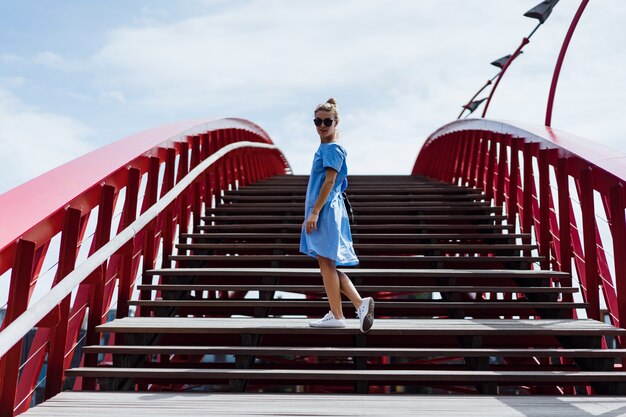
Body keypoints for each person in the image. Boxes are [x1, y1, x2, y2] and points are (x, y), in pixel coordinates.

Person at [299, 97, 374, 333]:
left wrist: (314, 212)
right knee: (326, 263)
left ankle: (341, 313)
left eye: (327, 121)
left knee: (326, 263)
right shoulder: (326, 148)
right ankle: (355, 306)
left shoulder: (333, 148)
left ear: (336, 122)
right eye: (317, 121)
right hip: (326, 209)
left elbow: (330, 181)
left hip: (326, 210)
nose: (321, 125)